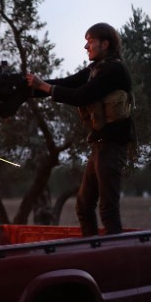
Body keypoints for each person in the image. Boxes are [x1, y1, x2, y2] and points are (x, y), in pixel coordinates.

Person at [25, 22, 135, 236]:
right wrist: (30, 88)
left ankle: (117, 259)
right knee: (84, 206)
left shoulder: (114, 70)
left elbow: (81, 96)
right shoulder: (96, 69)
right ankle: (93, 249)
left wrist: (43, 86)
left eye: (90, 41)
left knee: (108, 209)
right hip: (99, 147)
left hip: (112, 148)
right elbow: (69, 82)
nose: (86, 47)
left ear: (105, 43)